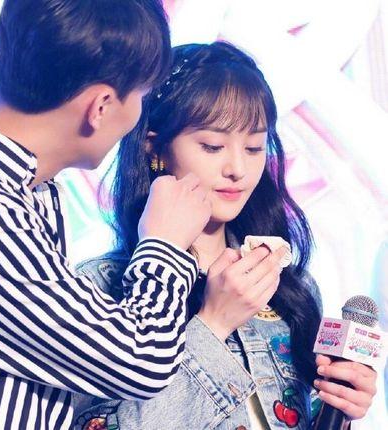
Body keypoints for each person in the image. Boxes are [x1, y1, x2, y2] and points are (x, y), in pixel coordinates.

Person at [0, 1, 213, 429]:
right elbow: (139, 359)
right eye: (140, 96)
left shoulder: (8, 186)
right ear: (101, 106)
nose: (138, 115)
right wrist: (165, 244)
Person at [74, 41, 378, 430]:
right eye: (213, 146)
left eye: (253, 148)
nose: (237, 168)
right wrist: (213, 325)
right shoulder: (101, 287)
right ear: (156, 147)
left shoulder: (289, 288)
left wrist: (340, 408)